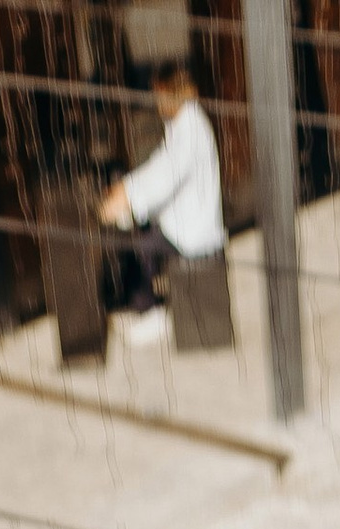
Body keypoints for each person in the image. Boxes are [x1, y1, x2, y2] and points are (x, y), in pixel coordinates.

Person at [95, 59, 224, 351]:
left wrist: (127, 196)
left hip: (194, 231)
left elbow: (165, 177)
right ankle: (145, 306)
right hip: (185, 220)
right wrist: (127, 188)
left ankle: (151, 312)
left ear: (167, 92)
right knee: (139, 227)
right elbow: (160, 166)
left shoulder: (191, 128)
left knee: (138, 243)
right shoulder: (184, 123)